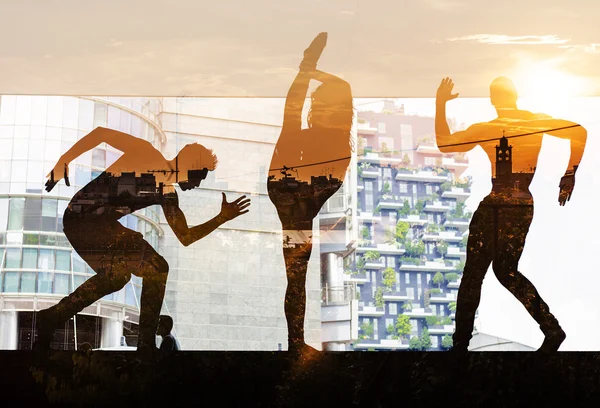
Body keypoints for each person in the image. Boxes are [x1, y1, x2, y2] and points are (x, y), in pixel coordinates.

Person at [36, 127, 250, 357]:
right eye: (199, 177)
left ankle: (52, 318)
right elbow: (101, 133)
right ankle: (145, 343)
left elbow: (185, 237)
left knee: (116, 277)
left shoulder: (167, 193)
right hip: (82, 217)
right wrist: (64, 160)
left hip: (96, 225)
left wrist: (220, 218)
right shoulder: (146, 153)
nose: (197, 185)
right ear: (189, 165)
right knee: (156, 267)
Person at [435, 76, 587, 352]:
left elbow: (445, 144)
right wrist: (570, 173)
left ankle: (461, 344)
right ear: (514, 96)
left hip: (505, 202)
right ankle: (550, 328)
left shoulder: (496, 127)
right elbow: (579, 132)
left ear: (494, 100)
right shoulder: (530, 123)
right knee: (500, 272)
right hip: (514, 202)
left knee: (481, 273)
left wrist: (440, 104)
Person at [267, 32, 353, 354]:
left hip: (295, 188)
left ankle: (294, 343)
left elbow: (341, 91)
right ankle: (294, 343)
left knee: (297, 274)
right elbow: (299, 106)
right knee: (297, 273)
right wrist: (309, 70)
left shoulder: (338, 140)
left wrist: (309, 70)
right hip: (292, 185)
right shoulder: (334, 140)